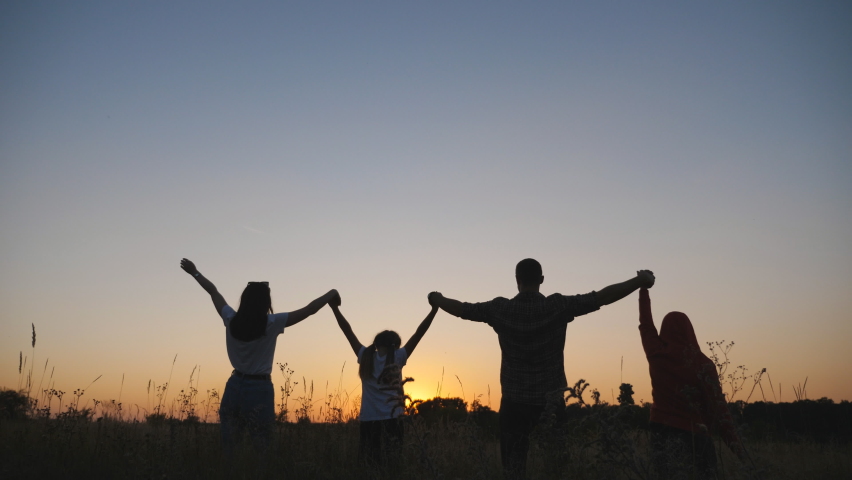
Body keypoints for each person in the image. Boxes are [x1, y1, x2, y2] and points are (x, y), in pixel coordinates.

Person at [428, 258, 655, 479]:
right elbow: (601, 298)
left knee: (513, 471)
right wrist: (639, 281)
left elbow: (463, 309)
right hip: (551, 402)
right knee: (556, 467)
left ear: (516, 280)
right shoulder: (557, 306)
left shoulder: (500, 309)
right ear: (542, 279)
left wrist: (438, 299)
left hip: (514, 403)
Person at [180, 258, 338, 453]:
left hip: (234, 386)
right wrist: (332, 293)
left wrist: (195, 272)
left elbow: (213, 291)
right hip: (259, 389)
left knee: (230, 448)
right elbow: (310, 310)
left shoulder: (230, 318)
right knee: (262, 447)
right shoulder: (272, 322)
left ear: (244, 299)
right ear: (266, 302)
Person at [638, 287, 746, 479]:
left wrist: (643, 288)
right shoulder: (704, 365)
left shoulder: (656, 352)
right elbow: (720, 411)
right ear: (690, 331)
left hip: (660, 431)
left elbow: (645, 324)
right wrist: (740, 453)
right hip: (696, 436)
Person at [328, 292, 437, 467]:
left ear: (376, 344)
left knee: (369, 466)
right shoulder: (399, 357)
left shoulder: (365, 356)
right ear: (396, 345)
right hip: (394, 420)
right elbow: (419, 332)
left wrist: (334, 308)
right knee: (391, 466)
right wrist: (434, 310)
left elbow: (346, 329)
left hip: (368, 421)